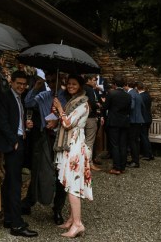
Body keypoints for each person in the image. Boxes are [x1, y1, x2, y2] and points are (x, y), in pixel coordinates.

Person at [0, 70, 38, 238]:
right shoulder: (5, 96)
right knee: (15, 184)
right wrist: (14, 140)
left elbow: (14, 120)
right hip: (13, 144)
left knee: (10, 182)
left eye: (24, 84)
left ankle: (8, 218)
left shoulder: (19, 97)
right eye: (18, 83)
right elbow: (2, 121)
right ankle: (17, 225)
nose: (21, 86)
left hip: (19, 139)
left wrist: (26, 125)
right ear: (11, 82)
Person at [21, 71, 67, 225]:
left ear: (61, 81)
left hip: (61, 140)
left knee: (61, 175)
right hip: (44, 138)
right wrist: (36, 87)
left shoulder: (67, 97)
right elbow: (28, 103)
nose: (52, 84)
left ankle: (58, 209)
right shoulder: (44, 96)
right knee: (38, 170)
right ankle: (29, 202)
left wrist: (58, 121)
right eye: (50, 81)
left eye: (54, 80)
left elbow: (72, 119)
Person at [52, 74, 93, 238]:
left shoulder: (82, 103)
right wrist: (59, 112)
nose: (70, 86)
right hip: (71, 145)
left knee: (72, 184)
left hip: (74, 146)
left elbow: (68, 124)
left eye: (74, 83)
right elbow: (65, 120)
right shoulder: (74, 101)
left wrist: (61, 109)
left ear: (81, 86)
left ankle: (78, 224)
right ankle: (71, 219)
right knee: (69, 182)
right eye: (68, 83)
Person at [103, 75, 132, 175]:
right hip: (124, 122)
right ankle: (123, 167)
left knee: (115, 145)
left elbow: (105, 107)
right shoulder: (128, 95)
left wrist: (104, 104)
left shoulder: (111, 93)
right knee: (123, 145)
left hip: (114, 122)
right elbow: (129, 109)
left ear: (114, 84)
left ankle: (117, 168)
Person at [84, 74, 102, 171]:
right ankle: (89, 163)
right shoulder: (89, 89)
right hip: (90, 118)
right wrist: (97, 105)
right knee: (89, 142)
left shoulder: (82, 88)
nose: (95, 82)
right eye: (94, 80)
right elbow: (92, 102)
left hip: (83, 117)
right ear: (89, 80)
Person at [137, 81, 154, 161]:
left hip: (143, 119)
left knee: (143, 137)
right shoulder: (147, 95)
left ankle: (147, 154)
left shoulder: (140, 96)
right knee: (145, 136)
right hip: (148, 118)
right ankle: (149, 153)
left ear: (137, 88)